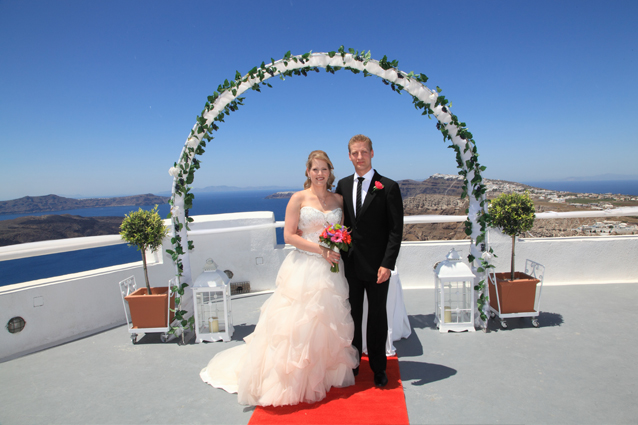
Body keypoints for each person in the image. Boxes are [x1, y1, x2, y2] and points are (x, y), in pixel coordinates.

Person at [200, 150, 358, 406]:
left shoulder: (338, 199)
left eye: (324, 169)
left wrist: (336, 247)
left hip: (332, 270)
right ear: (307, 172)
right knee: (298, 323)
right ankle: (293, 377)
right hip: (305, 268)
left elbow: (346, 229)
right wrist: (322, 250)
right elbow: (289, 236)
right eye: (315, 169)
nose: (319, 174)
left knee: (327, 322)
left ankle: (323, 373)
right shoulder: (298, 198)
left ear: (331, 171)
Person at [335, 134, 404, 388]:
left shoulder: (388, 186)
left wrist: (387, 264)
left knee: (377, 317)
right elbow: (339, 223)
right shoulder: (342, 185)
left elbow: (396, 230)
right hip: (350, 265)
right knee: (351, 315)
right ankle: (353, 364)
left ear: (372, 153)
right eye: (354, 153)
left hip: (378, 268)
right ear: (349, 156)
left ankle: (378, 368)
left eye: (364, 152)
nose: (359, 157)